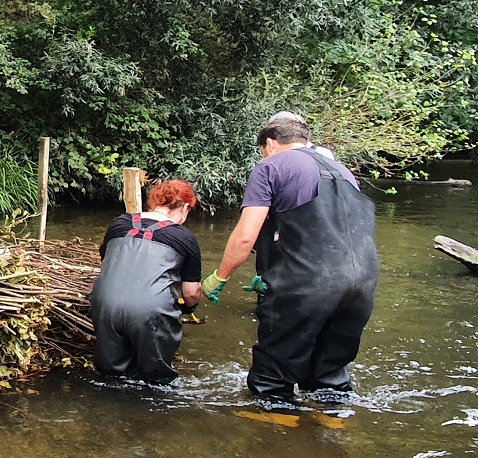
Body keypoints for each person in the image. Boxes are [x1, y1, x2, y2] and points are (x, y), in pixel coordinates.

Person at [201, 118, 379, 402]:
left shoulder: (271, 166)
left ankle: (274, 430)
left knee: (273, 378)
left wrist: (220, 276)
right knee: (330, 376)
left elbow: (246, 237)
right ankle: (332, 426)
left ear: (270, 143)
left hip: (307, 284)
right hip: (363, 284)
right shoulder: (342, 171)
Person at [89, 179, 203, 384]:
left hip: (105, 303)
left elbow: (108, 262)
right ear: (185, 207)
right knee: (155, 381)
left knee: (110, 378)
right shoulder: (184, 237)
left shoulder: (119, 223)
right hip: (150, 310)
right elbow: (190, 293)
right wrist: (189, 307)